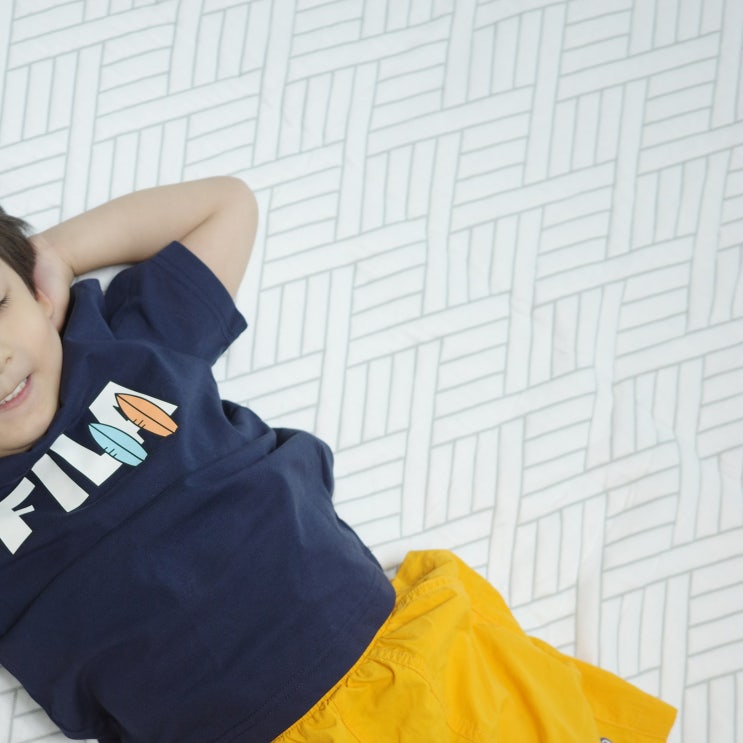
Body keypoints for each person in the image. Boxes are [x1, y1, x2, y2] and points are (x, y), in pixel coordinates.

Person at [0, 177, 676, 742]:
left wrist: (55, 251)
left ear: (33, 291)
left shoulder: (128, 346)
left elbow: (226, 205)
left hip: (395, 665)